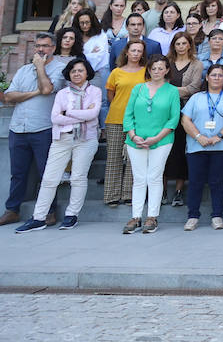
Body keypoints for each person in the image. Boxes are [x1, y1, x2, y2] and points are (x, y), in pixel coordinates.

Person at [17, 58, 100, 233]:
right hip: (61, 139)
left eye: (80, 70)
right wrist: (81, 115)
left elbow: (92, 114)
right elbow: (55, 118)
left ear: (87, 73)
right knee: (49, 179)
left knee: (78, 178)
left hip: (86, 139)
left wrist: (68, 112)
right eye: (73, 71)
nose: (76, 74)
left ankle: (72, 215)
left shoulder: (95, 91)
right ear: (69, 74)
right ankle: (38, 217)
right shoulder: (62, 93)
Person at [3, 34, 65, 227]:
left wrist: (40, 67)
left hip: (43, 128)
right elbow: (8, 97)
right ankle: (12, 210)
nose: (40, 49)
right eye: (38, 46)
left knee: (46, 173)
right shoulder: (23, 70)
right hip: (18, 128)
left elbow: (46, 89)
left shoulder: (60, 68)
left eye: (45, 46)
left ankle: (49, 212)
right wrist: (34, 93)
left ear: (53, 48)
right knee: (18, 173)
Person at [180, 63, 223, 231]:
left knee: (217, 181)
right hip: (196, 146)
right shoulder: (196, 97)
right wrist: (198, 137)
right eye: (213, 75)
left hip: (220, 146)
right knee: (195, 182)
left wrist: (219, 136)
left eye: (220, 75)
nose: (216, 78)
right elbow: (185, 120)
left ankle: (217, 216)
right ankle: (193, 216)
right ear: (207, 77)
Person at [123, 55, 180, 234]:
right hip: (136, 140)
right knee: (139, 178)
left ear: (167, 70)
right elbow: (128, 114)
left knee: (154, 177)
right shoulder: (138, 89)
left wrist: (156, 138)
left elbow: (173, 119)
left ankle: (152, 216)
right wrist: (133, 135)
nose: (156, 71)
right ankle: (136, 216)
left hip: (161, 140)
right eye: (153, 68)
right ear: (148, 69)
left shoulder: (172, 91)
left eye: (160, 68)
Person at [104, 39, 148, 206]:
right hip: (116, 119)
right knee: (113, 158)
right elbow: (111, 95)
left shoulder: (146, 72)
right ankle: (112, 196)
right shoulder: (116, 72)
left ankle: (129, 194)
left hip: (138, 121)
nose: (136, 54)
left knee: (134, 158)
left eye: (139, 51)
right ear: (127, 52)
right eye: (133, 50)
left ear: (142, 54)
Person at [164, 32, 204, 208]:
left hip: (186, 111)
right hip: (165, 111)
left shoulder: (197, 64)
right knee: (164, 150)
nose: (181, 46)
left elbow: (194, 88)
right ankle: (162, 190)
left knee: (181, 150)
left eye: (183, 43)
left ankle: (179, 192)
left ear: (189, 45)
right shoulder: (166, 62)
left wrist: (169, 91)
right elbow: (158, 82)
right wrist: (175, 91)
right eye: (177, 43)